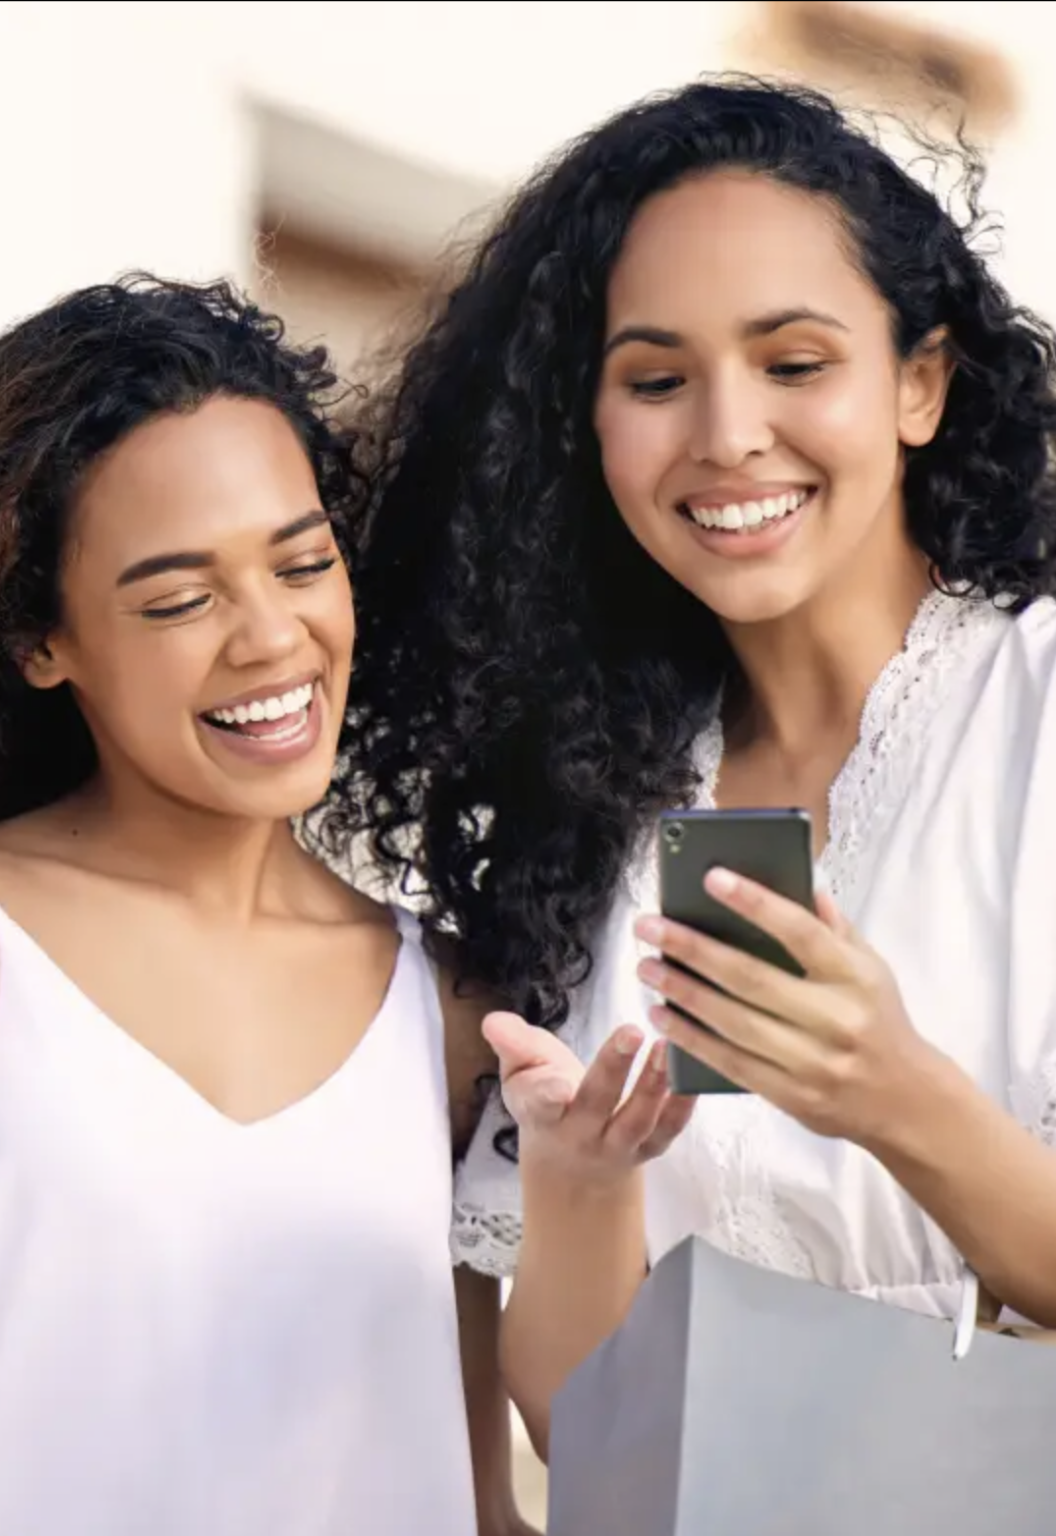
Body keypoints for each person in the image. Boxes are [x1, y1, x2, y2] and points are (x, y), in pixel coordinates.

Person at [0, 275, 542, 1534]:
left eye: (302, 562)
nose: (271, 639)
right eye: (179, 599)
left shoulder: (457, 1009)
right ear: (43, 640)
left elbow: (463, 1494)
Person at [325, 75, 1056, 1454]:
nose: (723, 436)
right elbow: (574, 1420)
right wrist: (585, 1185)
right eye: (654, 380)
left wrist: (894, 1095)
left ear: (917, 382)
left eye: (792, 363)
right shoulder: (592, 797)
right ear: (584, 429)